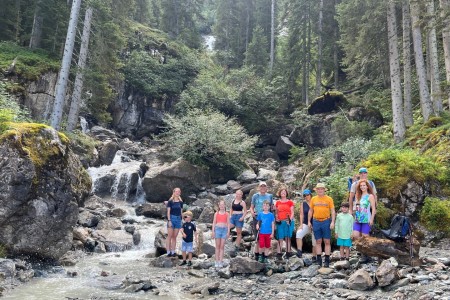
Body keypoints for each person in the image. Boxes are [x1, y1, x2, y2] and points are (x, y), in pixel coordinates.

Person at [308, 182, 335, 267]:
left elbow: (333, 211)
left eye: (321, 189)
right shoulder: (313, 199)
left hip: (326, 221)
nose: (320, 190)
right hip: (316, 221)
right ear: (316, 190)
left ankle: (327, 261)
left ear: (324, 190)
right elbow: (311, 211)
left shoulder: (329, 199)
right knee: (318, 241)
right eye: (318, 189)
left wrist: (333, 222)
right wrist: (309, 221)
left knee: (327, 241)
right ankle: (319, 260)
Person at [353, 179, 376, 263]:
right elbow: (356, 207)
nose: (362, 187)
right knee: (355, 235)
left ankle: (367, 255)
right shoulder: (357, 196)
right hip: (358, 219)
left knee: (365, 237)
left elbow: (373, 209)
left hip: (366, 219)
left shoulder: (370, 196)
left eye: (364, 185)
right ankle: (363, 252)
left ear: (367, 186)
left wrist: (372, 219)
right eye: (361, 185)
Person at [250, 182, 273, 261]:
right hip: (257, 219)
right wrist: (252, 212)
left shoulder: (270, 196)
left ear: (267, 187)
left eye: (264, 186)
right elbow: (252, 207)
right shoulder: (255, 196)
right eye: (261, 186)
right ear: (258, 187)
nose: (263, 187)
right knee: (258, 237)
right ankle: (257, 254)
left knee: (265, 236)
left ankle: (264, 255)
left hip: (267, 220)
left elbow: (272, 207)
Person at [295, 189, 316, 259]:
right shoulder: (303, 204)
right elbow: (301, 214)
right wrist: (301, 224)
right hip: (306, 224)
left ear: (310, 195)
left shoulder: (315, 202)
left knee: (314, 241)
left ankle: (314, 256)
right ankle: (299, 251)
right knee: (299, 233)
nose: (306, 196)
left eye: (308, 195)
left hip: (315, 224)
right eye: (305, 195)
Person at [275, 187, 295, 258]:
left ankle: (288, 252)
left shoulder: (290, 202)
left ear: (286, 193)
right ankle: (279, 253)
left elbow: (292, 212)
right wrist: (277, 218)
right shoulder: (277, 202)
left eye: (284, 192)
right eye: (282, 192)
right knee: (280, 237)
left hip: (288, 221)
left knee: (287, 237)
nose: (283, 193)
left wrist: (290, 220)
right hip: (280, 222)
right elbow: (277, 213)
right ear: (280, 193)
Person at [212, 200, 230, 268]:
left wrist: (228, 231)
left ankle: (220, 261)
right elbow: (214, 222)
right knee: (217, 246)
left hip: (224, 230)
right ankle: (216, 261)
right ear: (219, 206)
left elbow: (228, 223)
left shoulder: (227, 214)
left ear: (225, 206)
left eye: (223, 205)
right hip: (217, 229)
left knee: (222, 246)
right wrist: (213, 231)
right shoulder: (216, 213)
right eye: (220, 205)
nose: (222, 206)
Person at [166, 187, 183, 257]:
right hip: (172, 219)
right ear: (174, 192)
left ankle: (173, 252)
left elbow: (181, 212)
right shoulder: (170, 201)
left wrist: (182, 221)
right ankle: (168, 252)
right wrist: (169, 220)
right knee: (169, 236)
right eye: (176, 191)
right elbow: (168, 212)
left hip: (178, 219)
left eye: (179, 192)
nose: (177, 193)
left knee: (174, 237)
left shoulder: (181, 202)